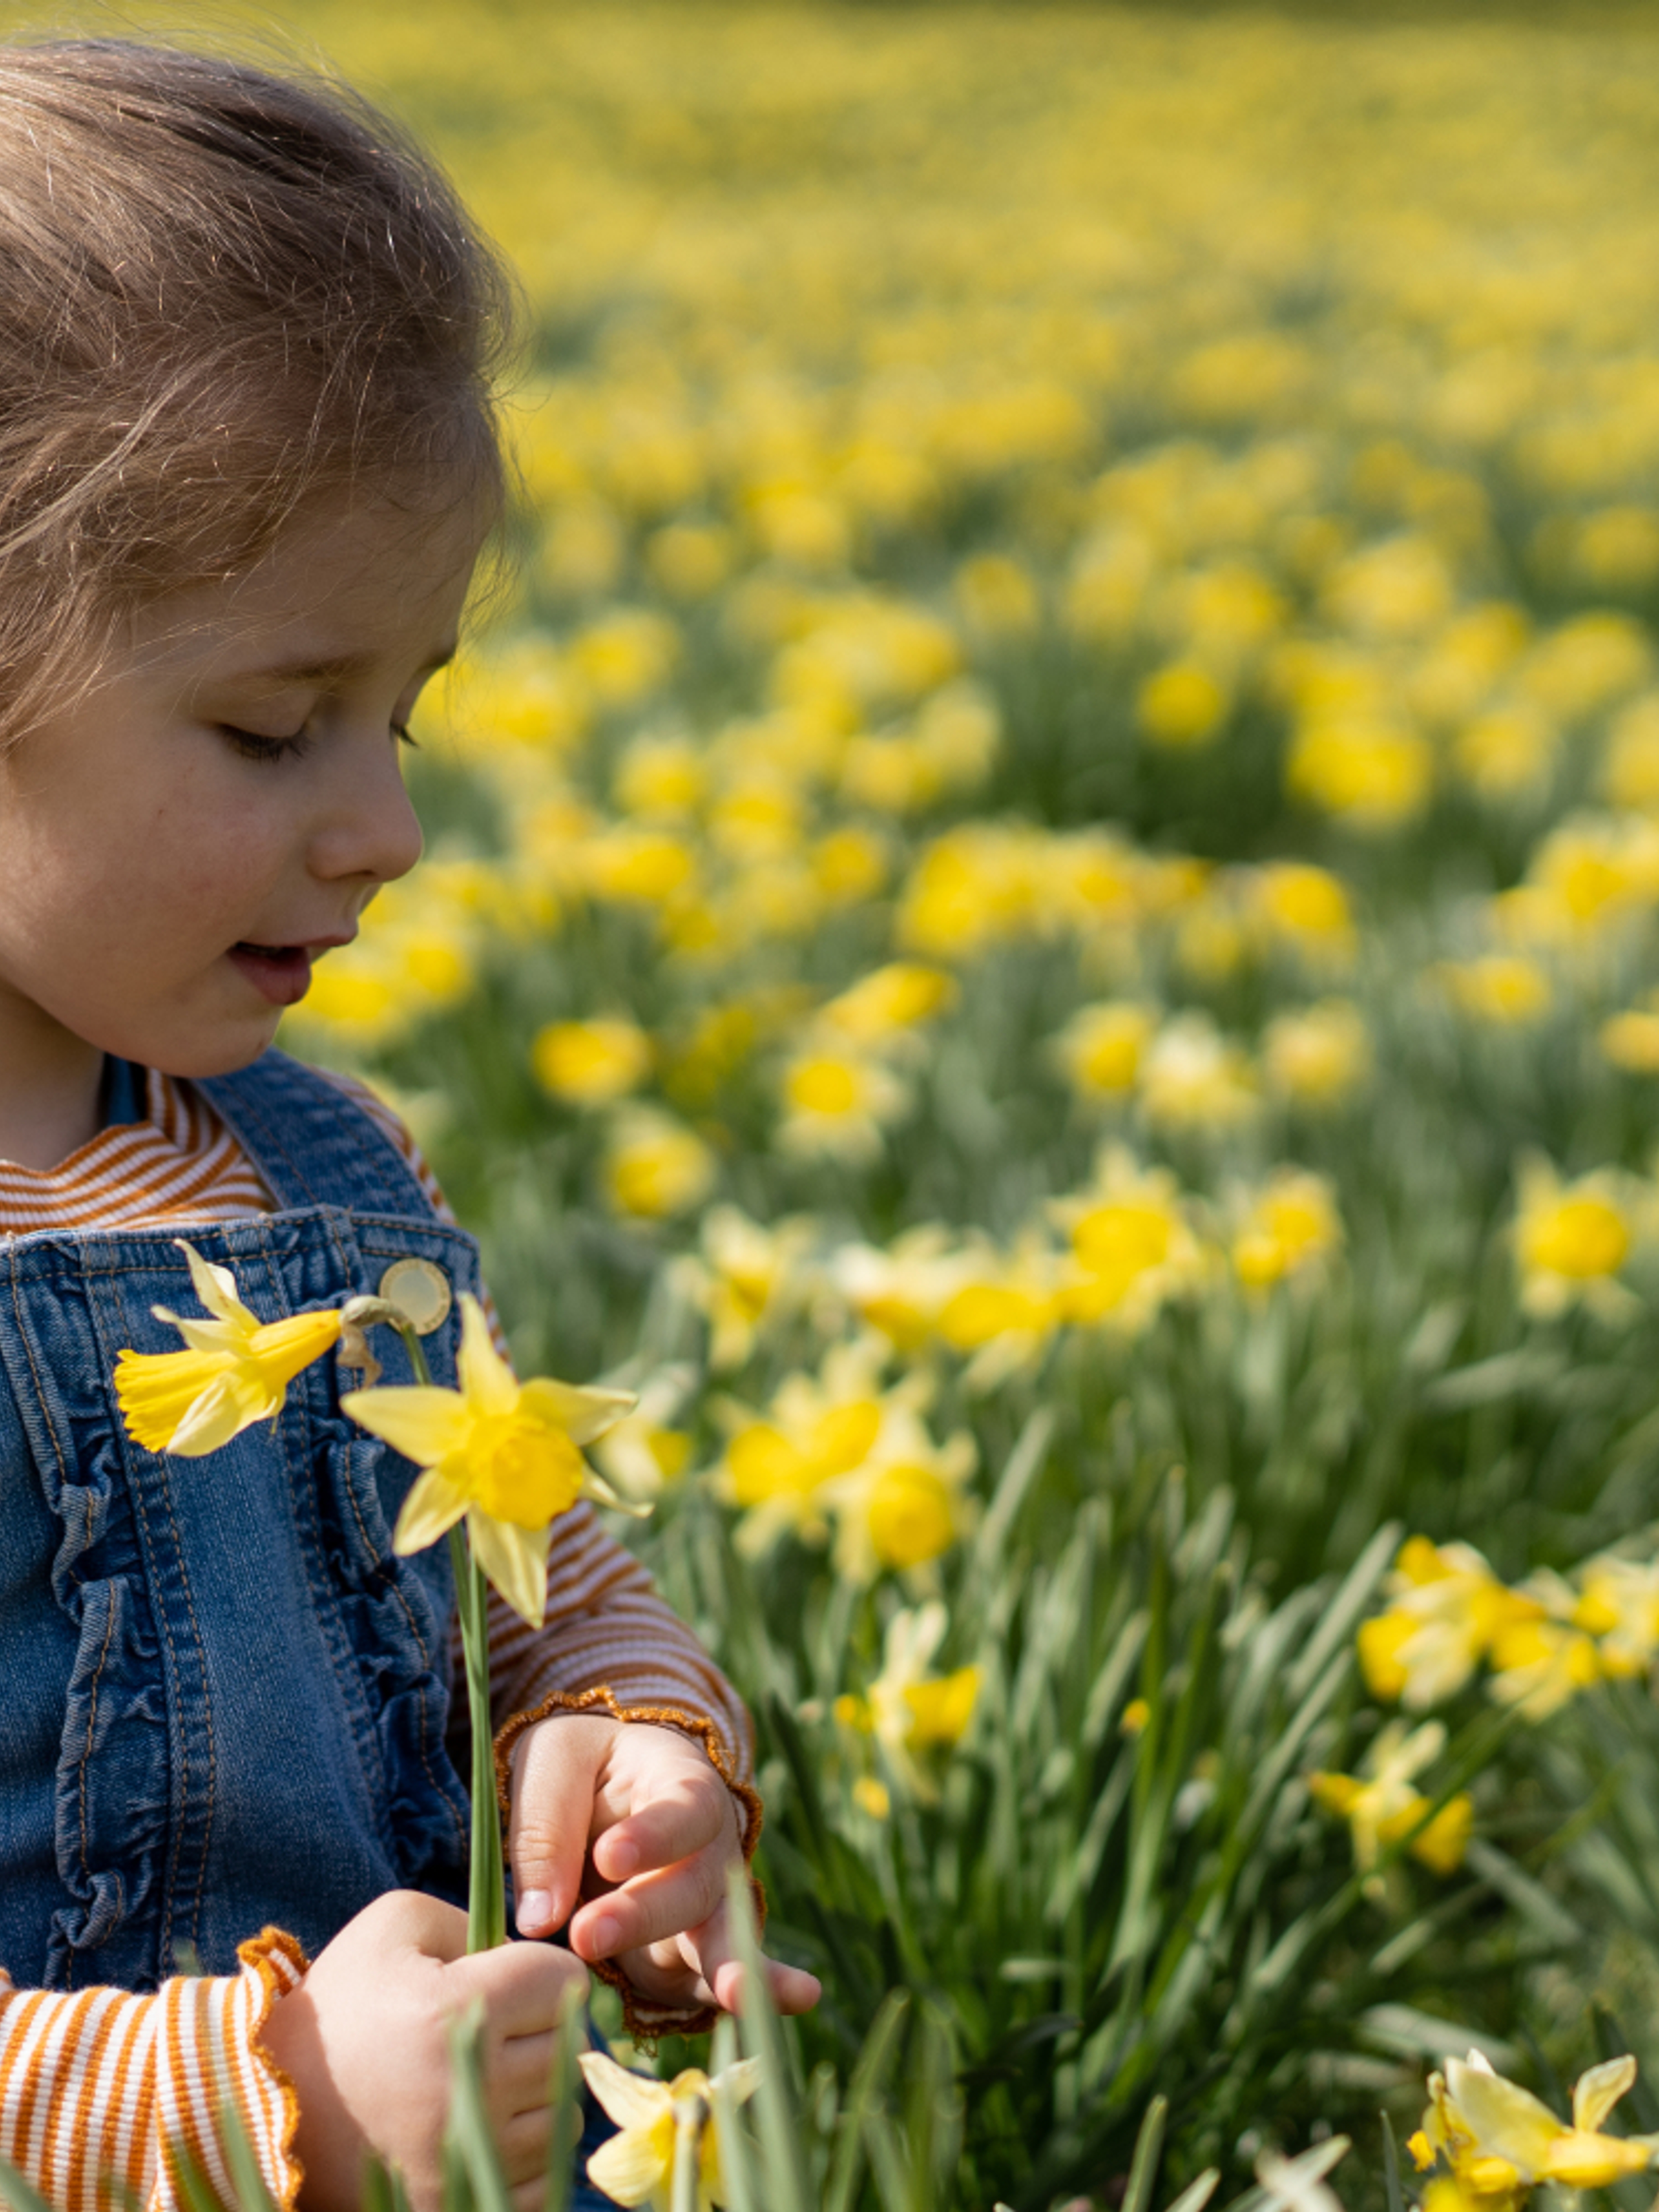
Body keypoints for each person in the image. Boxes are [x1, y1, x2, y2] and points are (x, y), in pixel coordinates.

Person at [0, 36, 819, 2212]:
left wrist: (631, 1744)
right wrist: (249, 2095)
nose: (391, 827)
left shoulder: (331, 1173)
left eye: (407, 707)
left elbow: (537, 1575)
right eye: (277, 726)